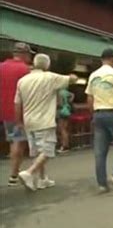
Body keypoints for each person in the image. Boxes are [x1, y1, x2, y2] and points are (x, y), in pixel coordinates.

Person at [15, 54, 78, 191]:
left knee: (38, 153)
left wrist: (19, 121)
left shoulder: (22, 81)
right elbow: (72, 80)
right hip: (44, 121)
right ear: (47, 65)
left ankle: (43, 180)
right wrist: (73, 75)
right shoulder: (50, 77)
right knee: (48, 151)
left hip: (28, 121)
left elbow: (17, 104)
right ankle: (29, 173)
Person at [86, 48, 113, 193]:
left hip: (98, 114)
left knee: (100, 152)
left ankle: (102, 184)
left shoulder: (93, 75)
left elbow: (89, 98)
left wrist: (93, 114)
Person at [0, 42, 33, 186]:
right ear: (24, 54)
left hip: (3, 109)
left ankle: (16, 170)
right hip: (19, 111)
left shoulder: (1, 67)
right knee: (18, 141)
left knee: (13, 139)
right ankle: (14, 174)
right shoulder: (25, 70)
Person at [57, 87, 75, 153]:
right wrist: (69, 101)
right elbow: (72, 95)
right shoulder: (66, 92)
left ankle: (65, 145)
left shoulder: (59, 93)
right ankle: (67, 144)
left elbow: (59, 103)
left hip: (61, 111)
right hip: (67, 110)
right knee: (65, 128)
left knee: (62, 129)